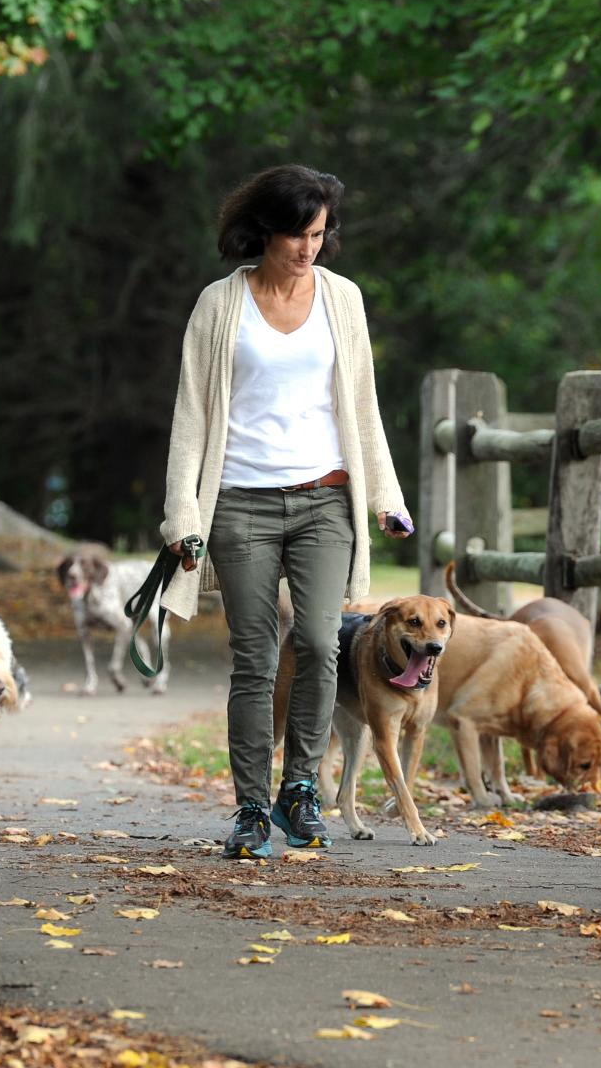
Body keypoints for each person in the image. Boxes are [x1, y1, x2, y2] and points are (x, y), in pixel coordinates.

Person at [160, 164, 411, 860]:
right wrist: (183, 515)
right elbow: (191, 415)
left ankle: (300, 789)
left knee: (323, 645)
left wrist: (385, 498)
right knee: (254, 658)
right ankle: (248, 805)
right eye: (297, 234)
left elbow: (362, 405)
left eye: (319, 234)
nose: (308, 249)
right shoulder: (220, 304)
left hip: (325, 498)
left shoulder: (343, 300)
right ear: (264, 230)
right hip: (238, 503)